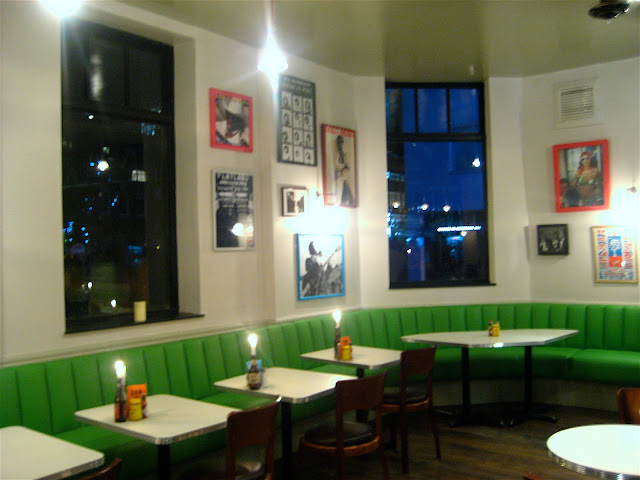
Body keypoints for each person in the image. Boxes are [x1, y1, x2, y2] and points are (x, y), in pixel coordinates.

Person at [334, 135, 355, 206]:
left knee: (350, 188)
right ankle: (339, 202)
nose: (340, 145)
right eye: (339, 143)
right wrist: (342, 168)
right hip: (340, 174)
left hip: (345, 173)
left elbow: (348, 165)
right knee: (339, 188)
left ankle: (351, 201)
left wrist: (345, 168)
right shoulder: (337, 154)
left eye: (341, 143)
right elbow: (337, 165)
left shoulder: (344, 154)